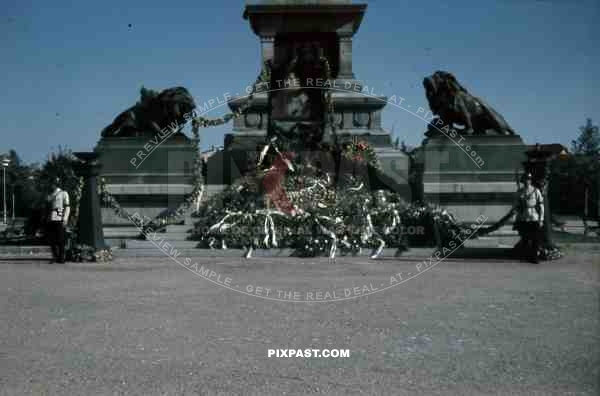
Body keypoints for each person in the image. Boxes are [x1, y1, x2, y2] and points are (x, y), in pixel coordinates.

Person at [515, 173, 544, 263]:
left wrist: (541, 219)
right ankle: (526, 256)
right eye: (525, 180)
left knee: (535, 239)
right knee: (525, 238)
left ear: (531, 180)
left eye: (528, 179)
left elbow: (541, 206)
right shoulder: (520, 191)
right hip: (524, 218)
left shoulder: (536, 191)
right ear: (523, 181)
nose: (527, 181)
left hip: (534, 217)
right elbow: (516, 206)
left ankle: (534, 257)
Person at [46, 177, 70, 263]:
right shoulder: (50, 194)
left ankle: (61, 257)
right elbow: (48, 207)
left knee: (61, 239)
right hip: (51, 218)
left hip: (59, 218)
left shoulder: (64, 193)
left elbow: (67, 207)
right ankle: (54, 256)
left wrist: (65, 219)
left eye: (53, 183)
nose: (51, 185)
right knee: (52, 239)